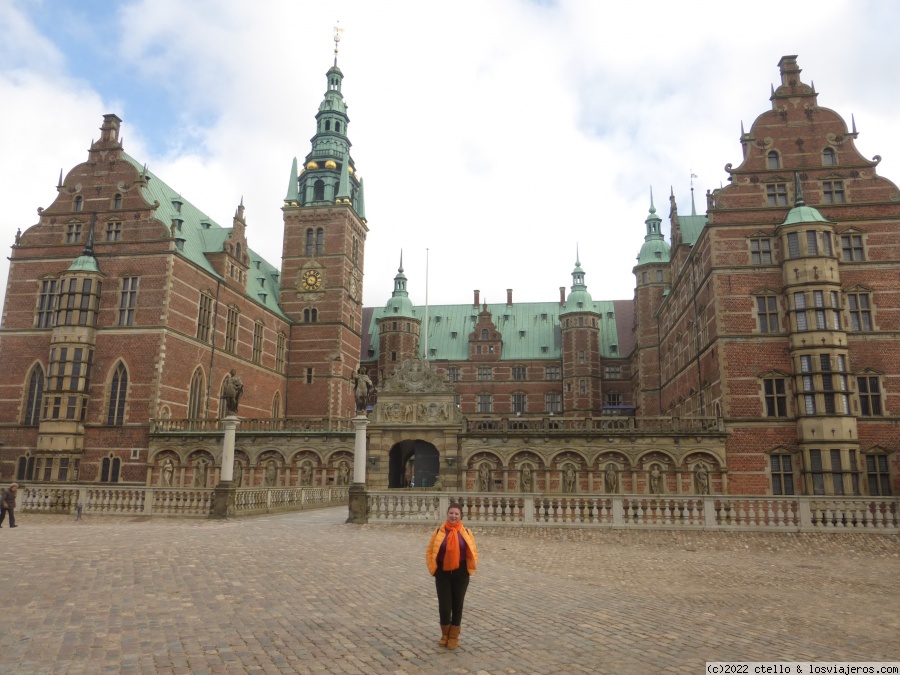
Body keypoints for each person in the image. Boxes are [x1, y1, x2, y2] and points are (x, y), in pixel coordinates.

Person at [425, 503, 478, 650]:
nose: (453, 516)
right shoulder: (439, 531)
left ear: (460, 516)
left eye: (456, 514)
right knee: (444, 606)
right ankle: (445, 635)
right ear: (447, 514)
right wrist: (434, 570)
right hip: (443, 572)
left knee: (457, 605)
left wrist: (469, 570)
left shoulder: (466, 532)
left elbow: (473, 551)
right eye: (451, 513)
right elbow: (430, 551)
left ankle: (453, 637)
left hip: (461, 572)